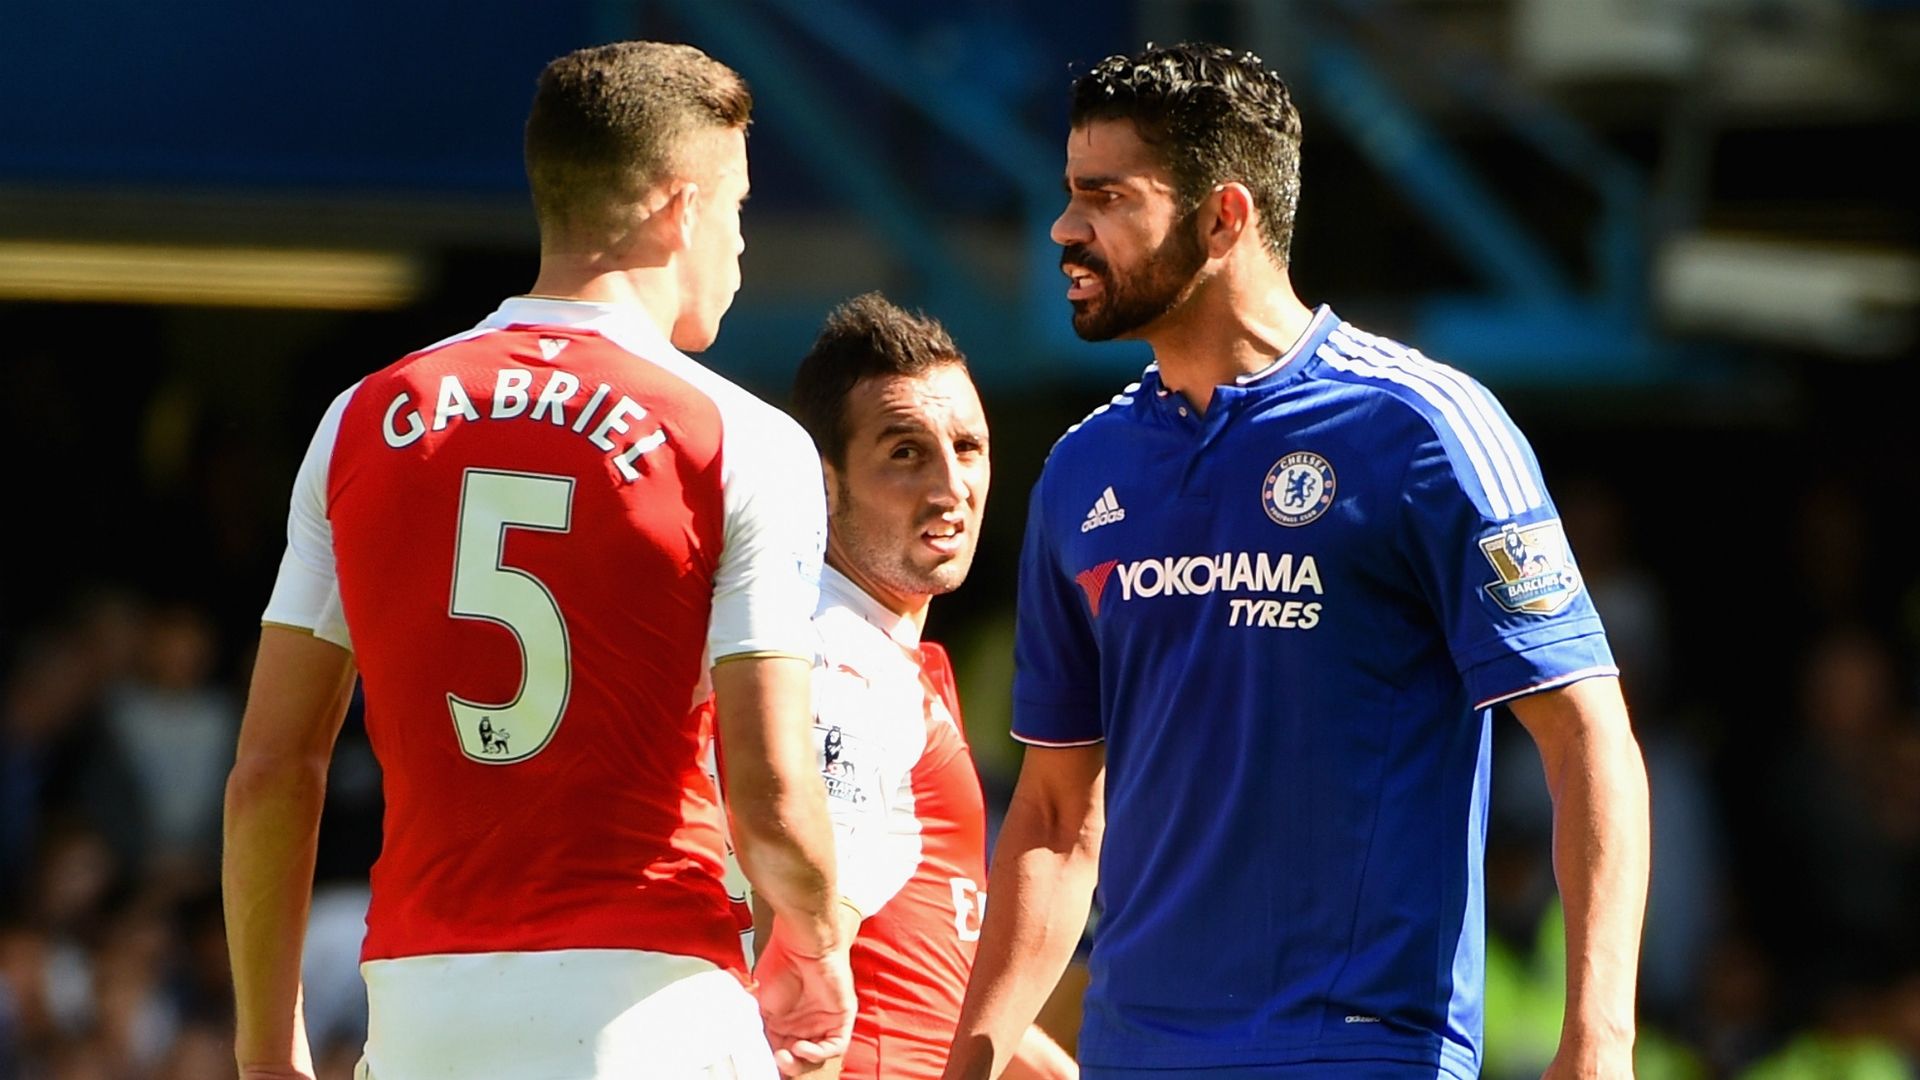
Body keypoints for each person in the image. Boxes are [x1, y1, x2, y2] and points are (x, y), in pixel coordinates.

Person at [945, 43, 1650, 1080]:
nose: (1065, 229)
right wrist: (970, 1064)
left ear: (1224, 217)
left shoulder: (1424, 427)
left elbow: (1587, 735)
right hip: (1136, 1052)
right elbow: (1054, 816)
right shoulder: (1080, 472)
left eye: (1105, 197)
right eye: (1069, 193)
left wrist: (1600, 1039)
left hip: (1361, 1051)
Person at [222, 41, 852, 1080]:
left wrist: (264, 1049)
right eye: (737, 211)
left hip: (423, 1002)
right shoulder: (738, 437)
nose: (740, 248)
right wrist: (820, 939)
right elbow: (775, 796)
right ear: (680, 209)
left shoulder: (363, 420)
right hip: (652, 999)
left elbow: (268, 775)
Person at [717, 293, 1075, 1080]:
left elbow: (927, 969)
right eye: (905, 452)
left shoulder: (869, 651)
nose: (952, 487)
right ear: (824, 479)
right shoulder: (836, 663)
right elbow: (794, 969)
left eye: (968, 448)